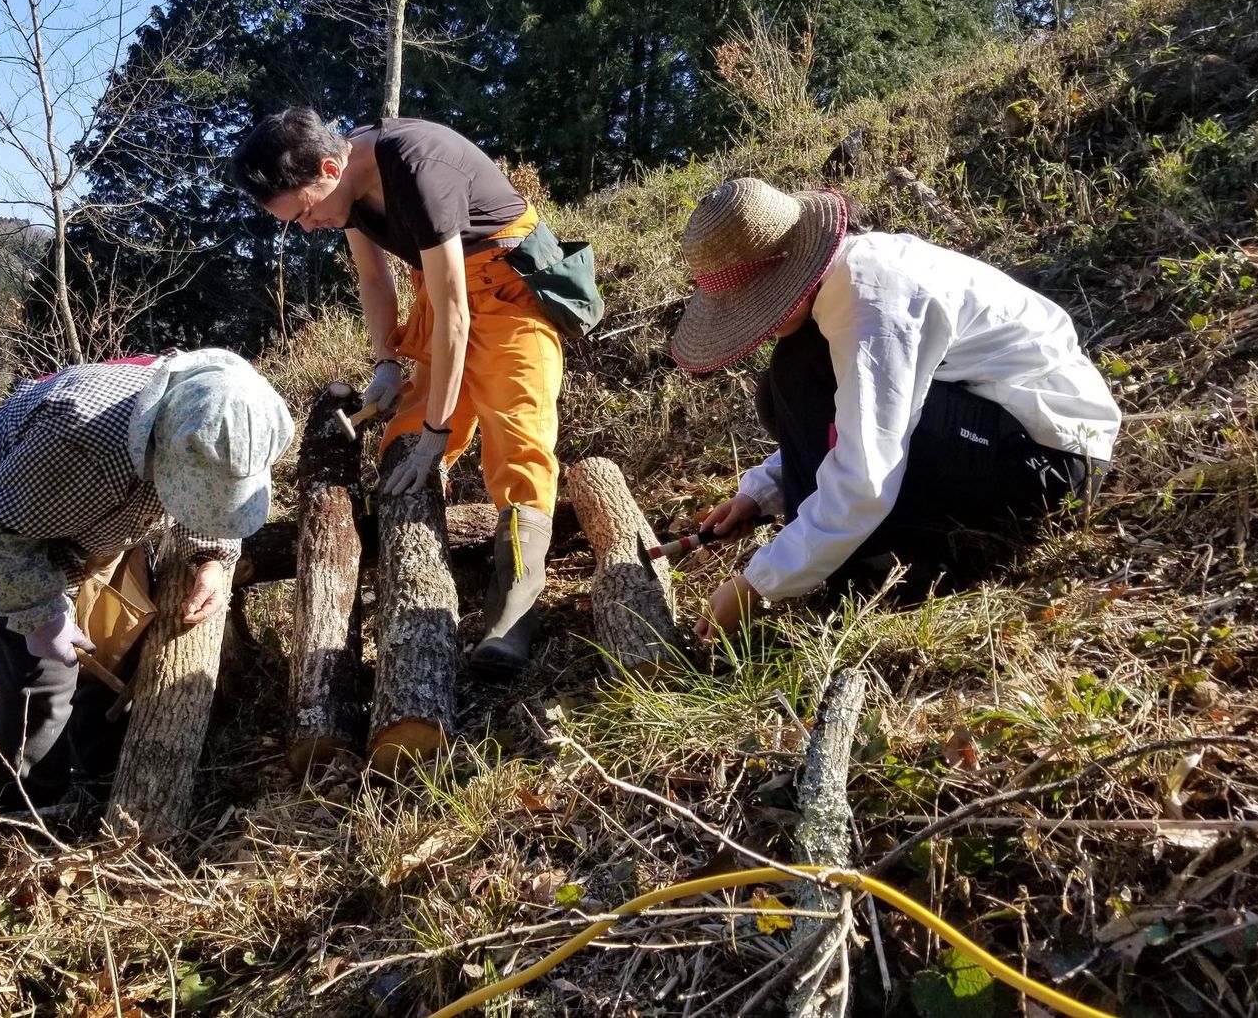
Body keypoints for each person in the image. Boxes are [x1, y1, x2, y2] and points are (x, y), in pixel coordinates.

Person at [670, 178, 1121, 640]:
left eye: (757, 309)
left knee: (797, 373)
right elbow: (862, 417)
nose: (760, 329)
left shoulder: (869, 299)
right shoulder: (850, 277)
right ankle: (864, 549)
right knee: (785, 383)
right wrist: (764, 492)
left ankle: (883, 565)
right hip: (994, 431)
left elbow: (867, 467)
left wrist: (758, 584)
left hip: (1046, 462)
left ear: (791, 277)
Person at [231, 108, 593, 676]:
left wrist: (438, 432)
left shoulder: (418, 169)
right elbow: (374, 278)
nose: (305, 227)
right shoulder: (345, 186)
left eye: (302, 212)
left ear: (330, 168)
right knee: (403, 435)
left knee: (516, 444)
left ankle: (514, 613)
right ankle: (420, 565)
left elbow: (456, 315)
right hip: (443, 291)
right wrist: (386, 364)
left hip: (507, 289)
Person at [0, 349, 294, 810]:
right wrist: (41, 614)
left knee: (116, 641)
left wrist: (210, 557)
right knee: (47, 675)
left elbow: (209, 489)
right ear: (158, 442)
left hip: (101, 514)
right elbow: (0, 526)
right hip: (10, 513)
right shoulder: (82, 439)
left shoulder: (232, 409)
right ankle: (26, 806)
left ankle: (99, 773)